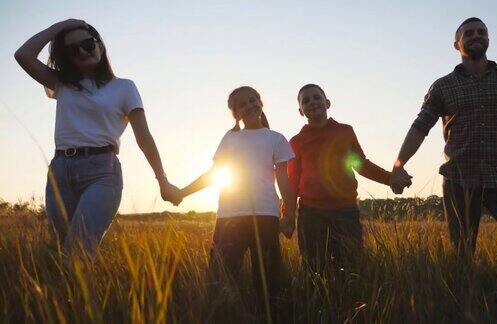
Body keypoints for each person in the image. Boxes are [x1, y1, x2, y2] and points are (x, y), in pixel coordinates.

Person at [389, 17, 497, 317]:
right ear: (456, 44)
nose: (476, 36)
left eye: (482, 32)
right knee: (462, 255)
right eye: (469, 33)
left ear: (488, 40)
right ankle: (464, 311)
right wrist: (398, 165)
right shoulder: (443, 86)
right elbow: (420, 127)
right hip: (460, 182)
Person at [14, 19, 181, 257]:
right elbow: (23, 55)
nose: (82, 51)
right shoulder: (61, 84)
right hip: (60, 171)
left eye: (88, 44)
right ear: (67, 57)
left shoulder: (124, 87)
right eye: (73, 49)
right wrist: (59, 27)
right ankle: (75, 295)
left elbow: (144, 137)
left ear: (100, 46)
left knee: (77, 253)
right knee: (64, 250)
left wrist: (162, 181)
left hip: (102, 171)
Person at [178, 86, 295, 321]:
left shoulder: (276, 139)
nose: (249, 105)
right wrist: (182, 193)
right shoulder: (230, 138)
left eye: (253, 100)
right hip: (230, 217)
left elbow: (284, 180)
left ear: (261, 102)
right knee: (221, 275)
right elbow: (214, 174)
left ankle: (268, 316)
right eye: (242, 104)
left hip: (265, 216)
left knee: (267, 278)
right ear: (236, 113)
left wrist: (289, 214)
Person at [287, 84, 412, 273]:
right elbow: (292, 182)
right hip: (311, 214)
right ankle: (318, 302)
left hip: (345, 210)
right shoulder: (296, 142)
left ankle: (351, 300)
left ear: (327, 102)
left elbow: (360, 164)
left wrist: (390, 179)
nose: (312, 102)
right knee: (314, 268)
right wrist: (286, 215)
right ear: (300, 111)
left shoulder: (344, 132)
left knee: (351, 264)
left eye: (316, 97)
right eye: (306, 100)